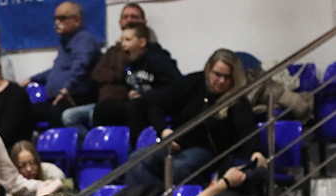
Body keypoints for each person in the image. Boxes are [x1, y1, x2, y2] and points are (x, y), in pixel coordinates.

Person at [127, 48, 269, 186]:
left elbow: (246, 129)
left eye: (227, 77)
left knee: (178, 167)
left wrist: (256, 152)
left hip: (210, 152)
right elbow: (156, 106)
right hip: (177, 144)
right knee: (136, 160)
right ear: (208, 70)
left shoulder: (237, 100)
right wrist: (163, 131)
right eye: (217, 74)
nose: (221, 81)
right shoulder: (193, 82)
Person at [61, 2, 156, 139]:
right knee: (69, 116)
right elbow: (97, 74)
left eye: (134, 17)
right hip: (101, 102)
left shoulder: (144, 52)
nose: (129, 20)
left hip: (122, 103)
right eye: (125, 17)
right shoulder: (112, 50)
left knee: (101, 112)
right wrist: (115, 73)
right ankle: (91, 145)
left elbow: (125, 73)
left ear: (143, 21)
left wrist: (114, 72)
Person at [90, 22, 180, 141]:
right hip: (138, 102)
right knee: (103, 108)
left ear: (142, 42)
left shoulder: (158, 59)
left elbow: (176, 85)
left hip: (159, 103)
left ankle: (137, 148)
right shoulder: (131, 61)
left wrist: (147, 95)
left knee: (135, 106)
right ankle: (104, 147)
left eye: (128, 40)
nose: (123, 45)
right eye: (122, 40)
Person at [27, 2, 102, 128]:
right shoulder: (65, 41)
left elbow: (81, 66)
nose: (56, 22)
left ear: (77, 20)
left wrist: (67, 88)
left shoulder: (85, 40)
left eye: (62, 18)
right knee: (25, 111)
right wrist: (31, 79)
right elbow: (57, 70)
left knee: (54, 113)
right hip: (57, 99)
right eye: (55, 18)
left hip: (74, 99)